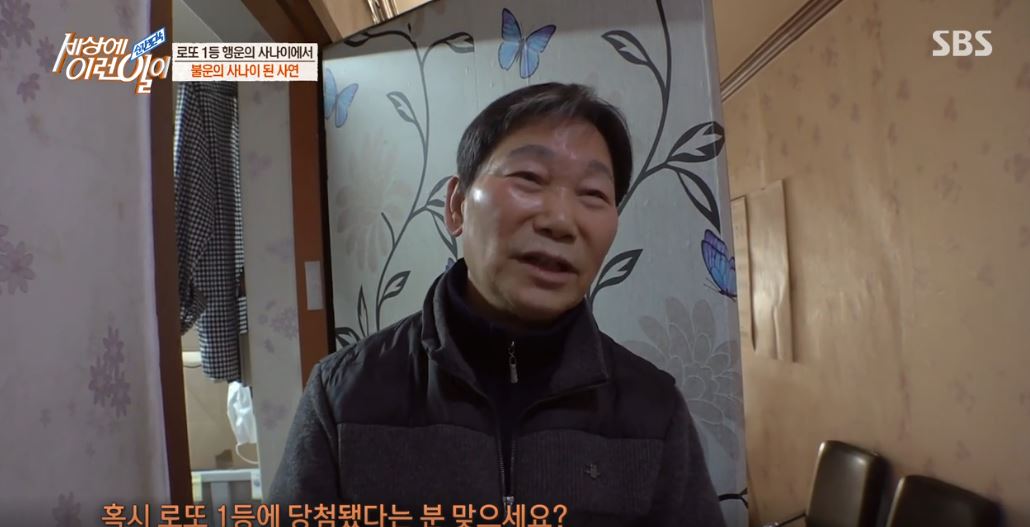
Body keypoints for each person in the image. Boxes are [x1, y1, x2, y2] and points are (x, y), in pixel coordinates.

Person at [268, 83, 725, 526]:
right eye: (529, 178)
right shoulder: (345, 396)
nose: (560, 220)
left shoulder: (654, 410)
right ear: (456, 206)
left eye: (593, 194)